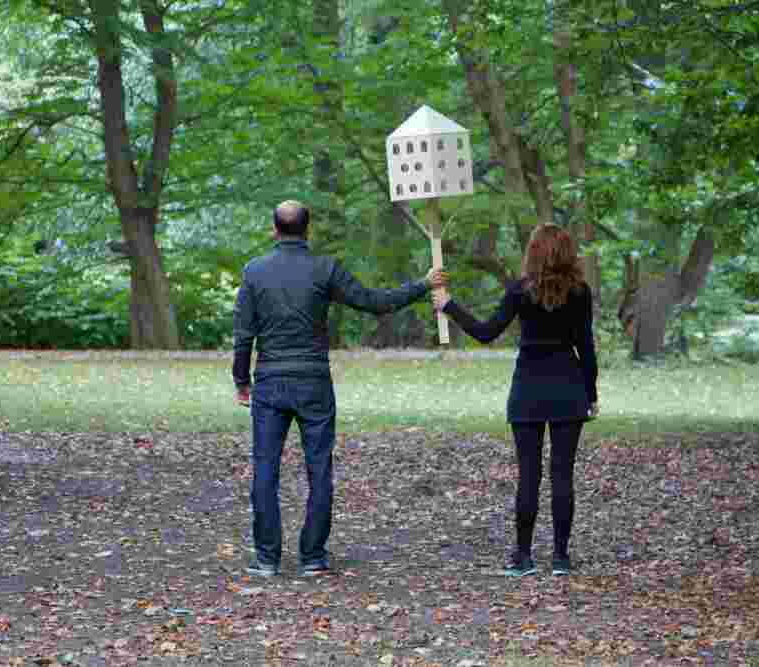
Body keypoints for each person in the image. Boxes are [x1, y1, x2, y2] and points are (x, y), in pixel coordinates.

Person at [233, 200, 446, 577]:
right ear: (308, 229)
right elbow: (374, 302)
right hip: (314, 381)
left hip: (270, 381)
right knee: (319, 468)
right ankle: (313, 557)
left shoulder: (254, 271)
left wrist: (241, 380)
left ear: (274, 229)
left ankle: (267, 558)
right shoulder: (324, 268)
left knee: (265, 469)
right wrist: (423, 284)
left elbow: (243, 334)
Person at [432, 223, 598, 577]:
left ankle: (523, 557)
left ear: (533, 253)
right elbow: (586, 347)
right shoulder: (580, 292)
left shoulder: (520, 291)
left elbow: (486, 332)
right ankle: (560, 558)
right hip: (569, 388)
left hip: (528, 390)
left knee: (529, 475)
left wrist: (449, 306)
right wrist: (591, 394)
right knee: (562, 475)